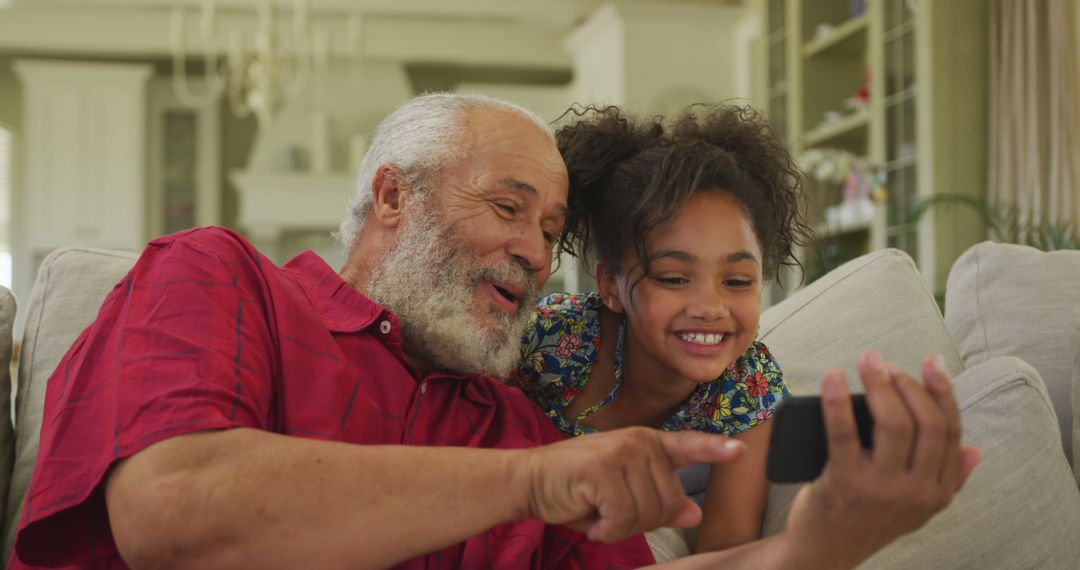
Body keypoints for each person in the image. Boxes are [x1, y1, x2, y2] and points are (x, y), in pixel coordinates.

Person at [11, 93, 979, 570]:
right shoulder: (218, 278)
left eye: (551, 230)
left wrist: (815, 546)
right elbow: (173, 514)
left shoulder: (507, 420)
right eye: (509, 207)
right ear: (392, 195)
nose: (532, 248)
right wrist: (533, 480)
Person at [513, 104, 809, 553]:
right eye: (673, 278)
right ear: (611, 286)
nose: (711, 307)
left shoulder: (751, 389)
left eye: (737, 281)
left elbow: (726, 550)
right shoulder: (550, 337)